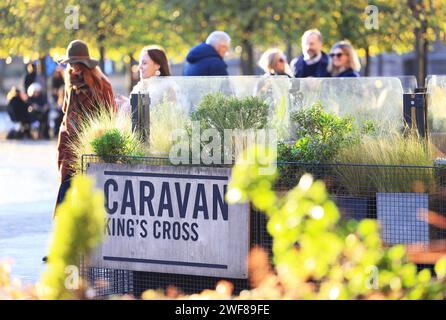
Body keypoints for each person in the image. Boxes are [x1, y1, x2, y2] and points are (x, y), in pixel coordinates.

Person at [56, 39, 116, 208]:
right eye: (70, 63)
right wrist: (62, 150)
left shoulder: (102, 85)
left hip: (91, 152)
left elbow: (109, 119)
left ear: (84, 64)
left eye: (75, 63)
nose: (72, 67)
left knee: (87, 204)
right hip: (70, 150)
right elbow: (65, 117)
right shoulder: (70, 85)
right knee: (65, 202)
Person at [116, 45, 174, 114]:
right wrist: (126, 102)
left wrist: (126, 104)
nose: (140, 67)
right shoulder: (143, 84)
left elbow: (147, 111)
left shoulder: (163, 85)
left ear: (157, 65)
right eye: (139, 63)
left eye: (144, 63)